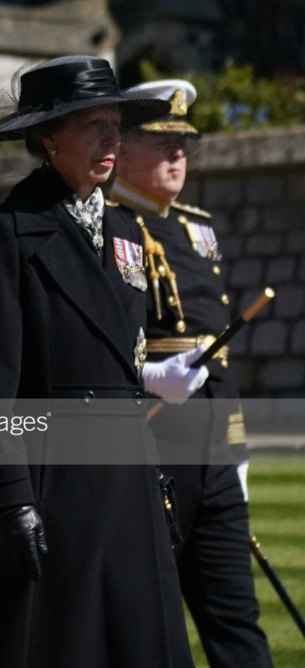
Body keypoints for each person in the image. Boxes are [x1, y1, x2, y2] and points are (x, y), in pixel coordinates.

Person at [0, 55, 208, 668]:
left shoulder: (123, 231)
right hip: (48, 485)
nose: (111, 140)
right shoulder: (4, 233)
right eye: (93, 126)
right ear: (48, 137)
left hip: (126, 482)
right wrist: (8, 500)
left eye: (116, 125)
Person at [113, 78, 274, 668]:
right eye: (162, 143)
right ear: (124, 151)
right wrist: (149, 375)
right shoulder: (107, 225)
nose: (179, 154)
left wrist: (234, 444)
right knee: (146, 624)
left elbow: (217, 352)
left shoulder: (196, 228)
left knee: (236, 620)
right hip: (151, 446)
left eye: (183, 143)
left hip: (213, 444)